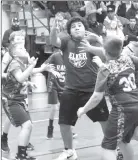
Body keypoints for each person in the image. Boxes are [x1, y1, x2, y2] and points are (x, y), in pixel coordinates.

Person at [77, 35, 138, 160]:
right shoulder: (130, 59)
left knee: (107, 146)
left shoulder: (105, 69)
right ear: (121, 49)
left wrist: (83, 109)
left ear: (105, 52)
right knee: (124, 141)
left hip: (122, 109)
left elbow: (97, 97)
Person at [50, 16, 109, 160]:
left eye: (80, 25)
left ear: (85, 29)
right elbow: (54, 41)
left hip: (92, 90)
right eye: (73, 26)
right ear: (69, 31)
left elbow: (107, 54)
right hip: (71, 89)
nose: (77, 27)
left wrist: (93, 45)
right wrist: (54, 30)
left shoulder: (92, 41)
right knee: (64, 122)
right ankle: (69, 150)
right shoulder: (65, 42)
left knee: (105, 121)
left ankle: (113, 147)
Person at [2, 30, 55, 160]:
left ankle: (22, 151)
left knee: (28, 125)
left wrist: (39, 71)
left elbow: (23, 75)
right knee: (26, 125)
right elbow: (19, 77)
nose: (24, 47)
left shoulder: (20, 61)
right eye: (20, 45)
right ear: (14, 50)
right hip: (11, 99)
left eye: (23, 43)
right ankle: (18, 152)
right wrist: (29, 70)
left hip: (19, 97)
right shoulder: (13, 61)